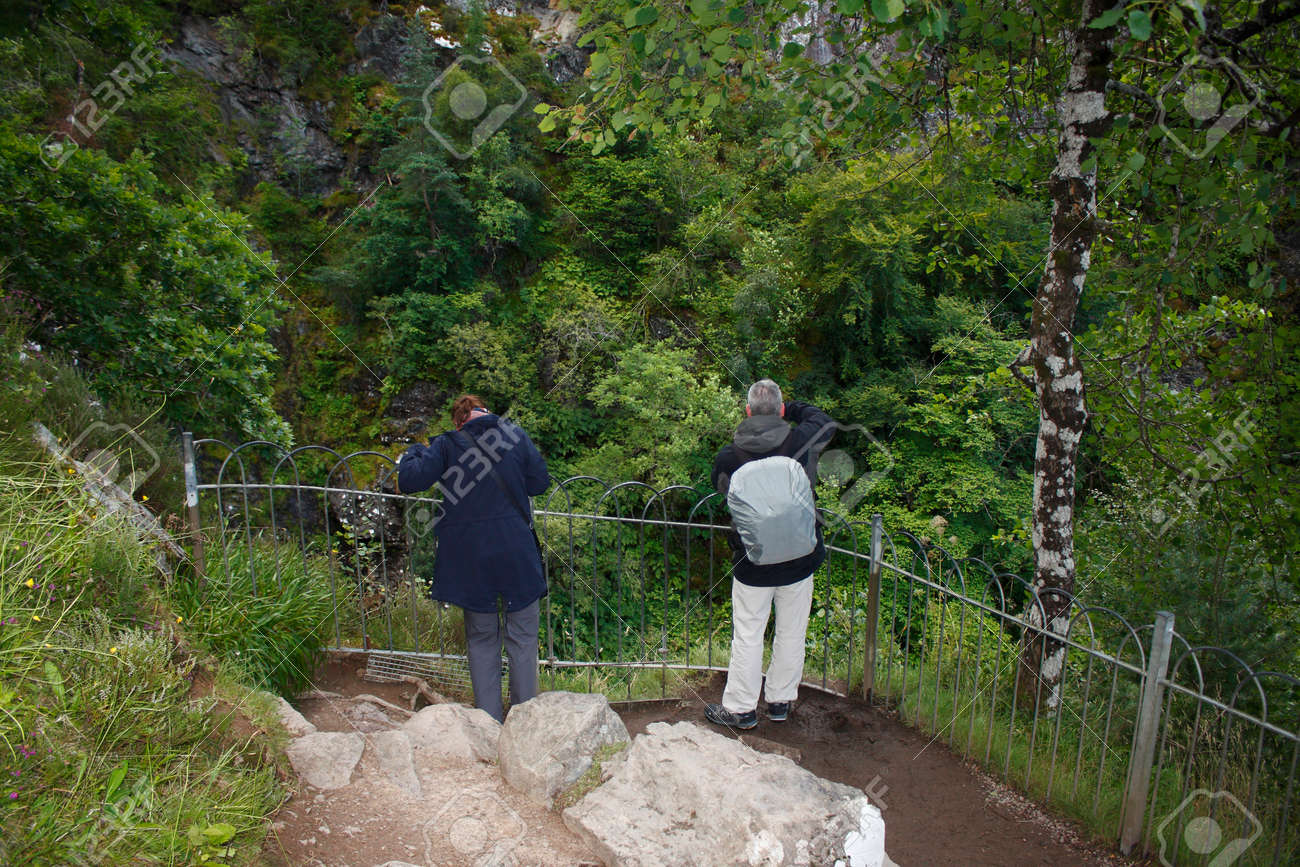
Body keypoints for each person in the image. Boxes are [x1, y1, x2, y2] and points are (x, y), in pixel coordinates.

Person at [396, 394, 550, 722]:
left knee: (481, 639)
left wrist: (416, 450)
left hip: (470, 558)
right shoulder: (514, 435)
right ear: (485, 413)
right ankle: (525, 723)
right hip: (516, 551)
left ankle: (488, 724)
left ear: (458, 421)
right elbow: (540, 483)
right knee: (523, 635)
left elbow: (408, 480)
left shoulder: (447, 445)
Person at [705, 379, 836, 730]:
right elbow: (825, 421)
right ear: (780, 410)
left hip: (753, 561)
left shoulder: (729, 456)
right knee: (792, 631)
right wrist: (789, 409)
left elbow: (722, 490)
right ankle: (780, 702)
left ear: (747, 412)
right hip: (801, 557)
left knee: (748, 633)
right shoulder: (802, 439)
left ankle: (741, 709)